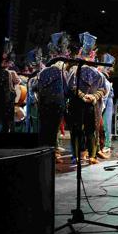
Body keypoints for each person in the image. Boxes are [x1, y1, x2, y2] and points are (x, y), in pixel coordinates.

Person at [66, 32, 106, 165]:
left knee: (89, 130)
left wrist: (92, 97)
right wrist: (86, 96)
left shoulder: (96, 73)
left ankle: (91, 155)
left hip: (88, 103)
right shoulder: (75, 70)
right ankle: (80, 156)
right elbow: (71, 86)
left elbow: (102, 89)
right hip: (79, 103)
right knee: (79, 130)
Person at [37, 32, 70, 160]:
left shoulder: (44, 70)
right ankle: (52, 155)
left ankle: (44, 153)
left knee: (45, 130)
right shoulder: (60, 70)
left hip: (45, 104)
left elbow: (37, 87)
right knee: (52, 131)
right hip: (56, 104)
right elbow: (66, 88)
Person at [0, 38, 21, 133]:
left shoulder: (10, 72)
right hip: (6, 105)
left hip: (3, 104)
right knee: (6, 124)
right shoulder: (9, 73)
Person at [98, 53, 115, 158]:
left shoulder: (105, 80)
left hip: (106, 102)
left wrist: (101, 108)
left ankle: (107, 145)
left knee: (106, 124)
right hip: (104, 101)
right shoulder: (102, 78)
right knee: (103, 125)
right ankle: (103, 144)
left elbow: (106, 95)